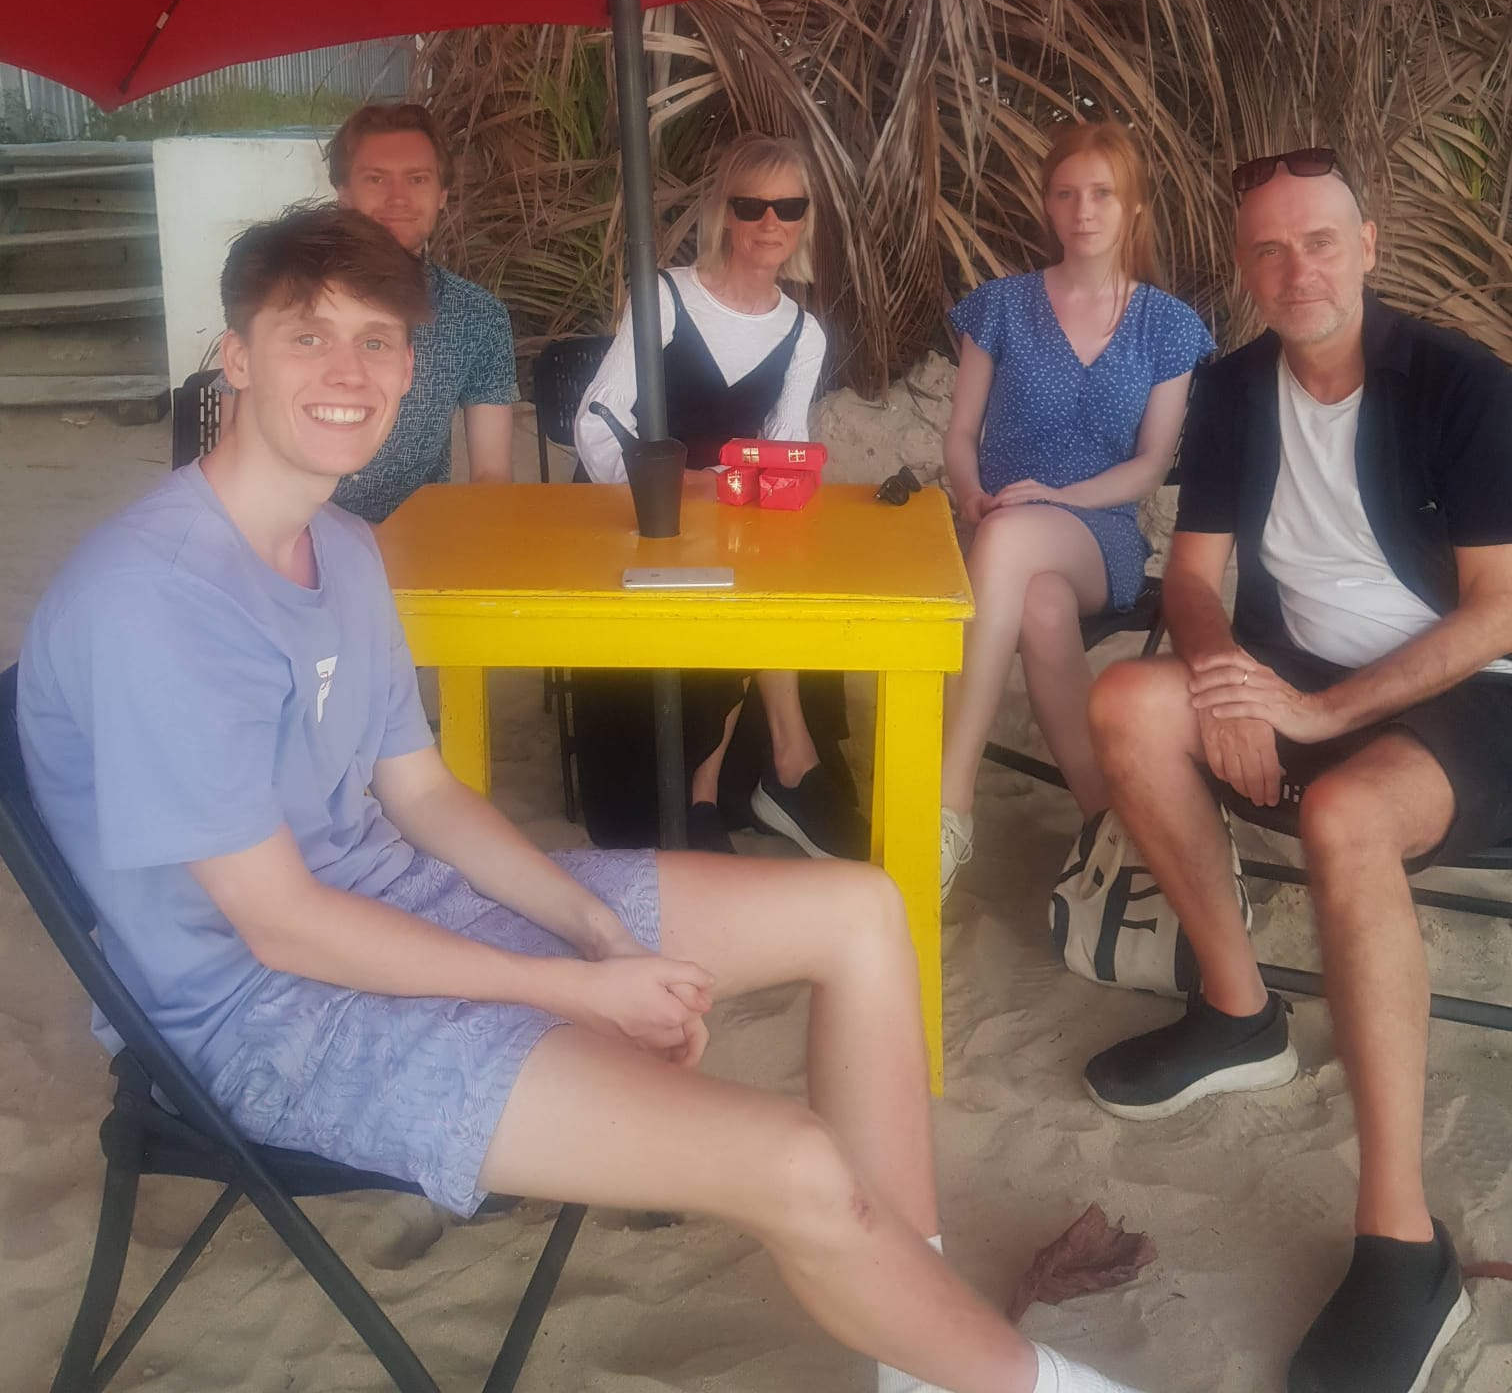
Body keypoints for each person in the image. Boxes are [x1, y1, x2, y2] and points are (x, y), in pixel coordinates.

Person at [19, 205, 1149, 1393]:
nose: (349, 372)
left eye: (379, 341)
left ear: (414, 362)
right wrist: (570, 986)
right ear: (236, 357)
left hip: (403, 903)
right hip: (262, 1019)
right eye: (307, 337)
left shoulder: (343, 547)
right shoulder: (155, 602)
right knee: (796, 1162)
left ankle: (921, 1352)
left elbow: (424, 795)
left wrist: (593, 926)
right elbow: (281, 924)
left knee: (861, 910)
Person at [1081, 148, 1512, 1393]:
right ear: (1243, 268)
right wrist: (1219, 678)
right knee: (1129, 702)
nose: (1296, 269)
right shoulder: (1229, 389)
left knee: (1342, 815)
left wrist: (1319, 713)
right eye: (1268, 249)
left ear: (1369, 246)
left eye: (1320, 240)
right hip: (1292, 677)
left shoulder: (1463, 386)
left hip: (1468, 698)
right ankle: (1238, 1012)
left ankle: (1401, 1243)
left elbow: (1494, 615)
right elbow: (1197, 577)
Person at [573, 132, 866, 862]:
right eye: (752, 204)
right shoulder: (666, 296)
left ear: (805, 220)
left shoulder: (803, 333)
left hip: (732, 512)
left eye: (789, 207)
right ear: (724, 213)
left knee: (779, 575)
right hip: (647, 509)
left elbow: (786, 440)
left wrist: (762, 489)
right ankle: (764, 780)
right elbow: (599, 418)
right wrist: (682, 487)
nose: (771, 222)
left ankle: (753, 776)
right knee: (747, 585)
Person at [938, 122, 1213, 893]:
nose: (1083, 210)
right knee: (1042, 609)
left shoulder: (1166, 325)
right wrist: (971, 494)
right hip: (997, 525)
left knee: (1017, 542)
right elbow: (960, 436)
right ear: (1047, 205)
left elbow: (1151, 465)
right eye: (1066, 193)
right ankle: (1108, 822)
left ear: (1132, 207)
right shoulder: (1000, 307)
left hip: (1100, 532)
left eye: (1102, 193)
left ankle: (948, 802)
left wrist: (1055, 498)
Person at [327, 100, 518, 522]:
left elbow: (491, 474)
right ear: (343, 195)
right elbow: (240, 446)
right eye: (376, 179)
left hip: (415, 542)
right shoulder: (289, 298)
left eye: (417, 179)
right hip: (292, 539)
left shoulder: (478, 316)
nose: (397, 198)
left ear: (442, 195)